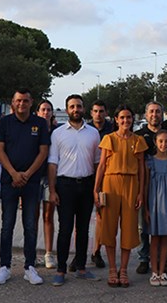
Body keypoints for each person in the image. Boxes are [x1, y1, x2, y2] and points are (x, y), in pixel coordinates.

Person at [0, 89, 50, 286]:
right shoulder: (5, 122)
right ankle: (4, 266)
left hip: (31, 182)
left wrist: (27, 174)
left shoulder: (40, 123)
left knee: (30, 226)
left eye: (25, 101)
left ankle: (30, 267)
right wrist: (14, 173)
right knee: (7, 225)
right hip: (9, 181)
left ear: (31, 102)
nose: (22, 104)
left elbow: (43, 151)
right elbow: (0, 150)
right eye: (18, 101)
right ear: (13, 102)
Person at [48, 94, 102, 286]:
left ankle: (81, 267)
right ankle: (61, 269)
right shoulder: (58, 133)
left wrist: (97, 189)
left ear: (83, 109)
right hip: (65, 186)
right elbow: (52, 163)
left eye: (78, 106)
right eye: (72, 107)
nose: (75, 110)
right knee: (65, 229)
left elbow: (97, 163)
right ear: (67, 109)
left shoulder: (93, 133)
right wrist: (52, 190)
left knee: (84, 229)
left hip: (86, 185)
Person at [94, 105, 148, 287]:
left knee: (129, 228)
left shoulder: (138, 140)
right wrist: (96, 189)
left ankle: (123, 270)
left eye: (128, 117)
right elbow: (102, 165)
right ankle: (112, 269)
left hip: (131, 184)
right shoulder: (109, 139)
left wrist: (141, 192)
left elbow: (142, 168)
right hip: (111, 183)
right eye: (122, 117)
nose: (126, 120)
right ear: (116, 119)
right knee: (109, 227)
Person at [145, 129, 167, 287]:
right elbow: (146, 185)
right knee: (155, 238)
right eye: (160, 141)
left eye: (166, 141)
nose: (163, 144)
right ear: (155, 142)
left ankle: (162, 270)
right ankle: (154, 271)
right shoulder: (150, 162)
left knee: (165, 238)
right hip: (154, 204)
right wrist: (146, 208)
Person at [135, 100, 164, 275]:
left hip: (163, 184)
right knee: (143, 224)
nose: (154, 115)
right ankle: (144, 258)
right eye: (151, 112)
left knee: (163, 222)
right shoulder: (139, 136)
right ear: (146, 115)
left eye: (157, 111)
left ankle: (162, 257)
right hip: (143, 184)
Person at [85, 99, 113, 270]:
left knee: (101, 217)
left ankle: (96, 251)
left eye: (101, 111)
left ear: (106, 112)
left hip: (105, 178)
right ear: (91, 113)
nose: (98, 114)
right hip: (87, 175)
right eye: (95, 111)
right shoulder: (86, 129)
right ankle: (80, 253)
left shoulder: (112, 129)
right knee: (81, 217)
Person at [35, 99, 59, 270]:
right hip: (34, 176)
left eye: (48, 109)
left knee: (48, 215)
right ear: (37, 112)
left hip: (50, 177)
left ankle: (49, 253)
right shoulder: (32, 129)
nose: (46, 112)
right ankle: (32, 252)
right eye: (43, 109)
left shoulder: (57, 132)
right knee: (33, 216)